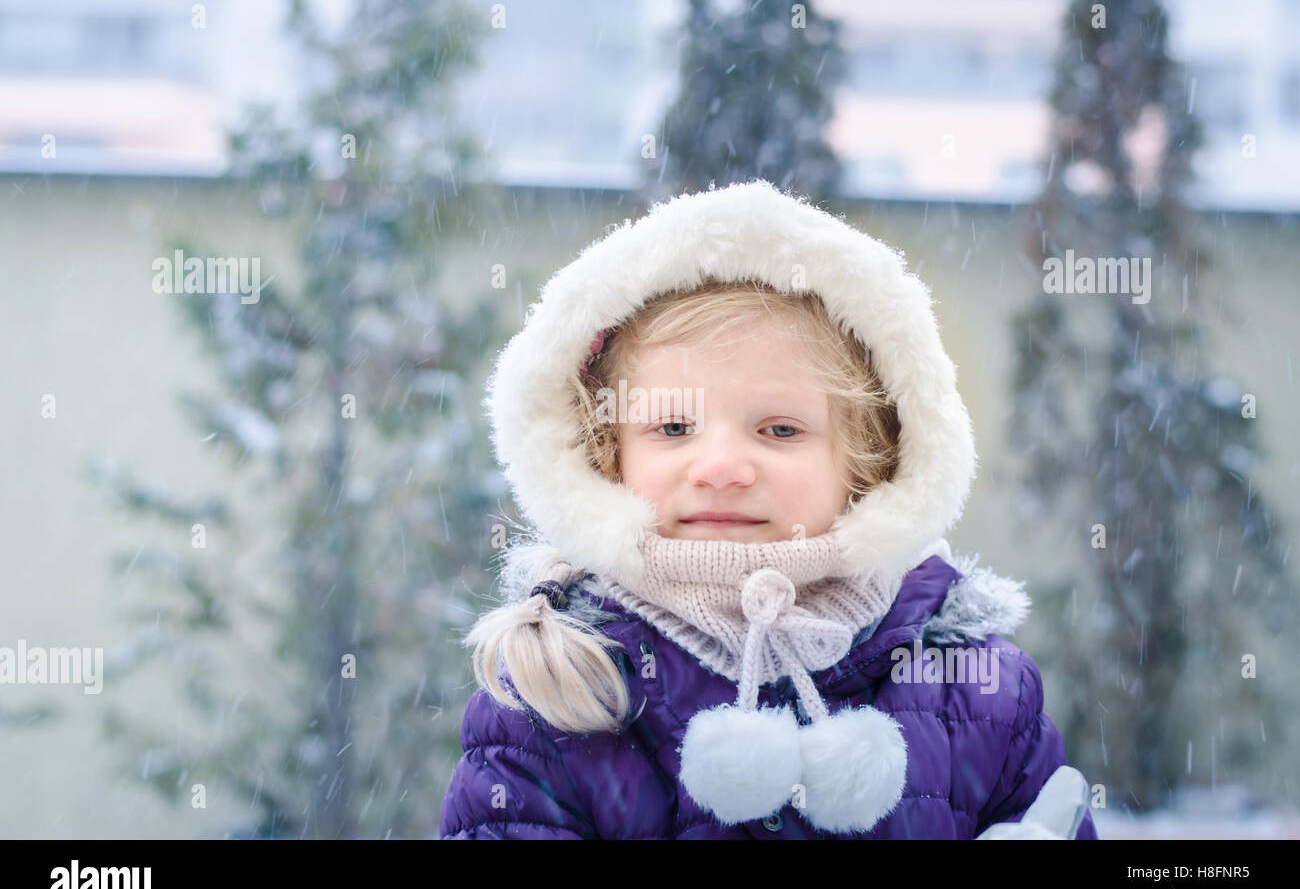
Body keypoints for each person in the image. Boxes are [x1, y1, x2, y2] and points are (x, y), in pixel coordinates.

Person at [439, 180, 1097, 840]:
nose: (721, 466)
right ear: (609, 451)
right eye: (673, 428)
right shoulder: (557, 689)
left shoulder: (975, 689)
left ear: (866, 460)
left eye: (780, 429)